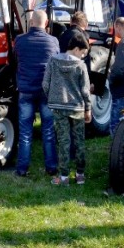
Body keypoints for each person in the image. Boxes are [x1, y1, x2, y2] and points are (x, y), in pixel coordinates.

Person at [13, 9, 59, 177]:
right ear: (45, 23)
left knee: (25, 132)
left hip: (25, 90)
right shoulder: (53, 42)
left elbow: (15, 60)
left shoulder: (19, 41)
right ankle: (51, 167)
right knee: (48, 131)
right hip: (46, 91)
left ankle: (22, 169)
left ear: (31, 22)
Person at [43, 31, 93, 186]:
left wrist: (52, 97)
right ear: (77, 49)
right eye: (83, 52)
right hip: (77, 107)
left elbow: (45, 84)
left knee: (63, 141)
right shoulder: (80, 65)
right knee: (79, 141)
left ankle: (63, 177)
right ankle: (80, 175)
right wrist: (88, 109)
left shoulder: (53, 61)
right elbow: (85, 90)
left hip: (58, 107)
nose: (83, 56)